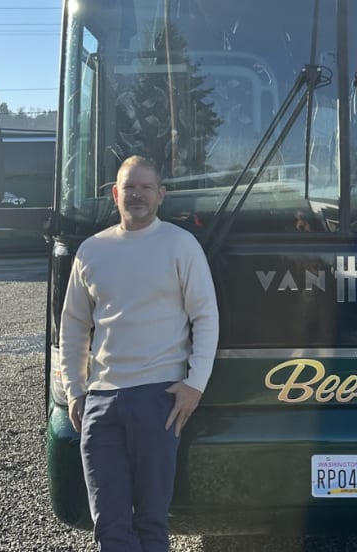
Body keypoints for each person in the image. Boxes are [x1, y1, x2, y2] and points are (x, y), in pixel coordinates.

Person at [58, 155, 219, 552]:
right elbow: (73, 326)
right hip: (101, 403)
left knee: (151, 523)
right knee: (109, 527)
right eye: (129, 187)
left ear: (161, 195)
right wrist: (76, 390)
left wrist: (195, 385)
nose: (137, 195)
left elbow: (205, 317)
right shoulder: (91, 251)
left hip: (158, 399)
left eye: (146, 187)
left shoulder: (181, 245)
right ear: (115, 194)